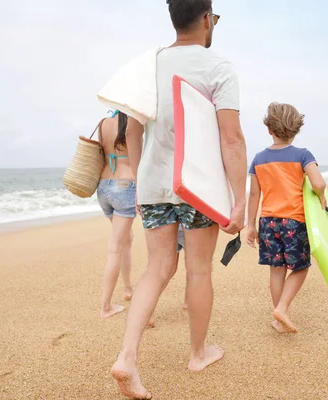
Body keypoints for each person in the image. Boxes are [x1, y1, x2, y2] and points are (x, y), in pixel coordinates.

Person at [110, 1, 247, 398]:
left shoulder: (147, 66)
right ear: (207, 20)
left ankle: (127, 357)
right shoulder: (218, 67)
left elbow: (132, 132)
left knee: (157, 268)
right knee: (199, 269)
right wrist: (240, 199)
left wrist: (140, 180)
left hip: (153, 184)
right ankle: (198, 354)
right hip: (198, 186)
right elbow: (232, 139)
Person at [245, 103, 327, 334]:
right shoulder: (303, 154)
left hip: (268, 222)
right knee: (301, 267)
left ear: (269, 129)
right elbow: (318, 183)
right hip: (294, 221)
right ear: (296, 129)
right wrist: (321, 197)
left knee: (276, 268)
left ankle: (278, 318)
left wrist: (250, 225)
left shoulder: (259, 159)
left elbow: (254, 194)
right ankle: (281, 308)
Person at [97, 110, 136, 318]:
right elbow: (138, 157)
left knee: (126, 239)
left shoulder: (104, 123)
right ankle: (105, 306)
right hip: (125, 185)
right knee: (115, 248)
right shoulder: (132, 121)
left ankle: (128, 288)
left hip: (103, 187)